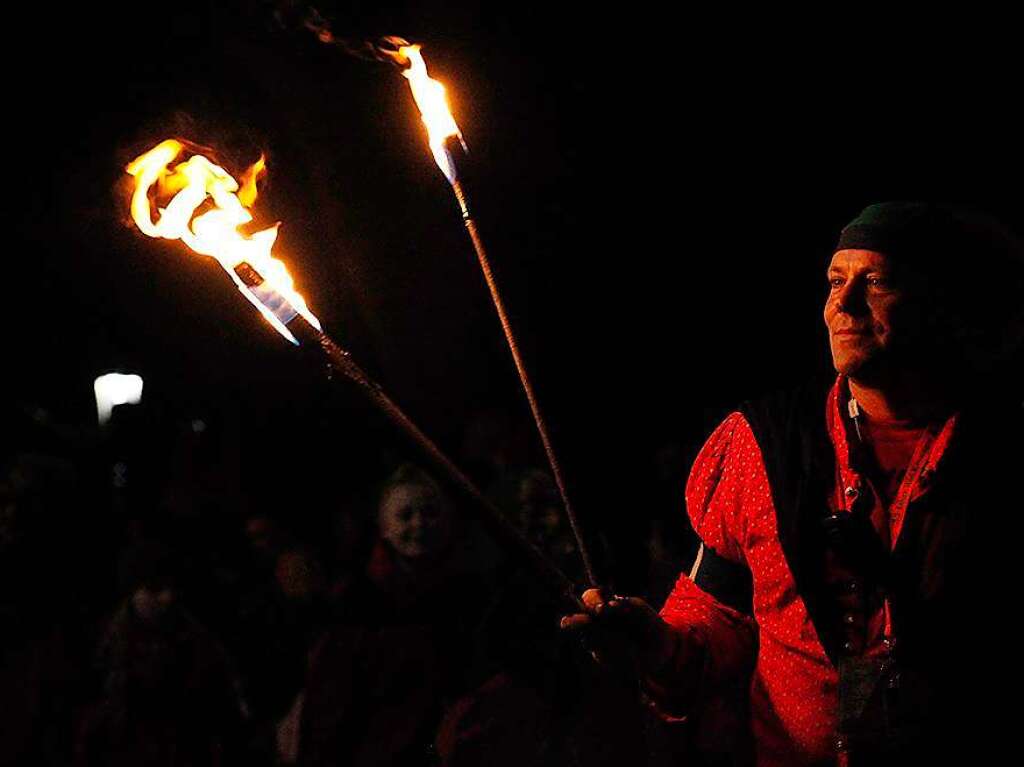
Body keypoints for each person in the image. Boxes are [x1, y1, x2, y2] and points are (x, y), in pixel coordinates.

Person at [562, 202, 1024, 766]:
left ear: (938, 304)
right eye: (835, 281)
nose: (843, 305)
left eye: (875, 282)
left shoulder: (1002, 449)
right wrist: (658, 645)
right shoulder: (767, 445)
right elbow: (717, 611)